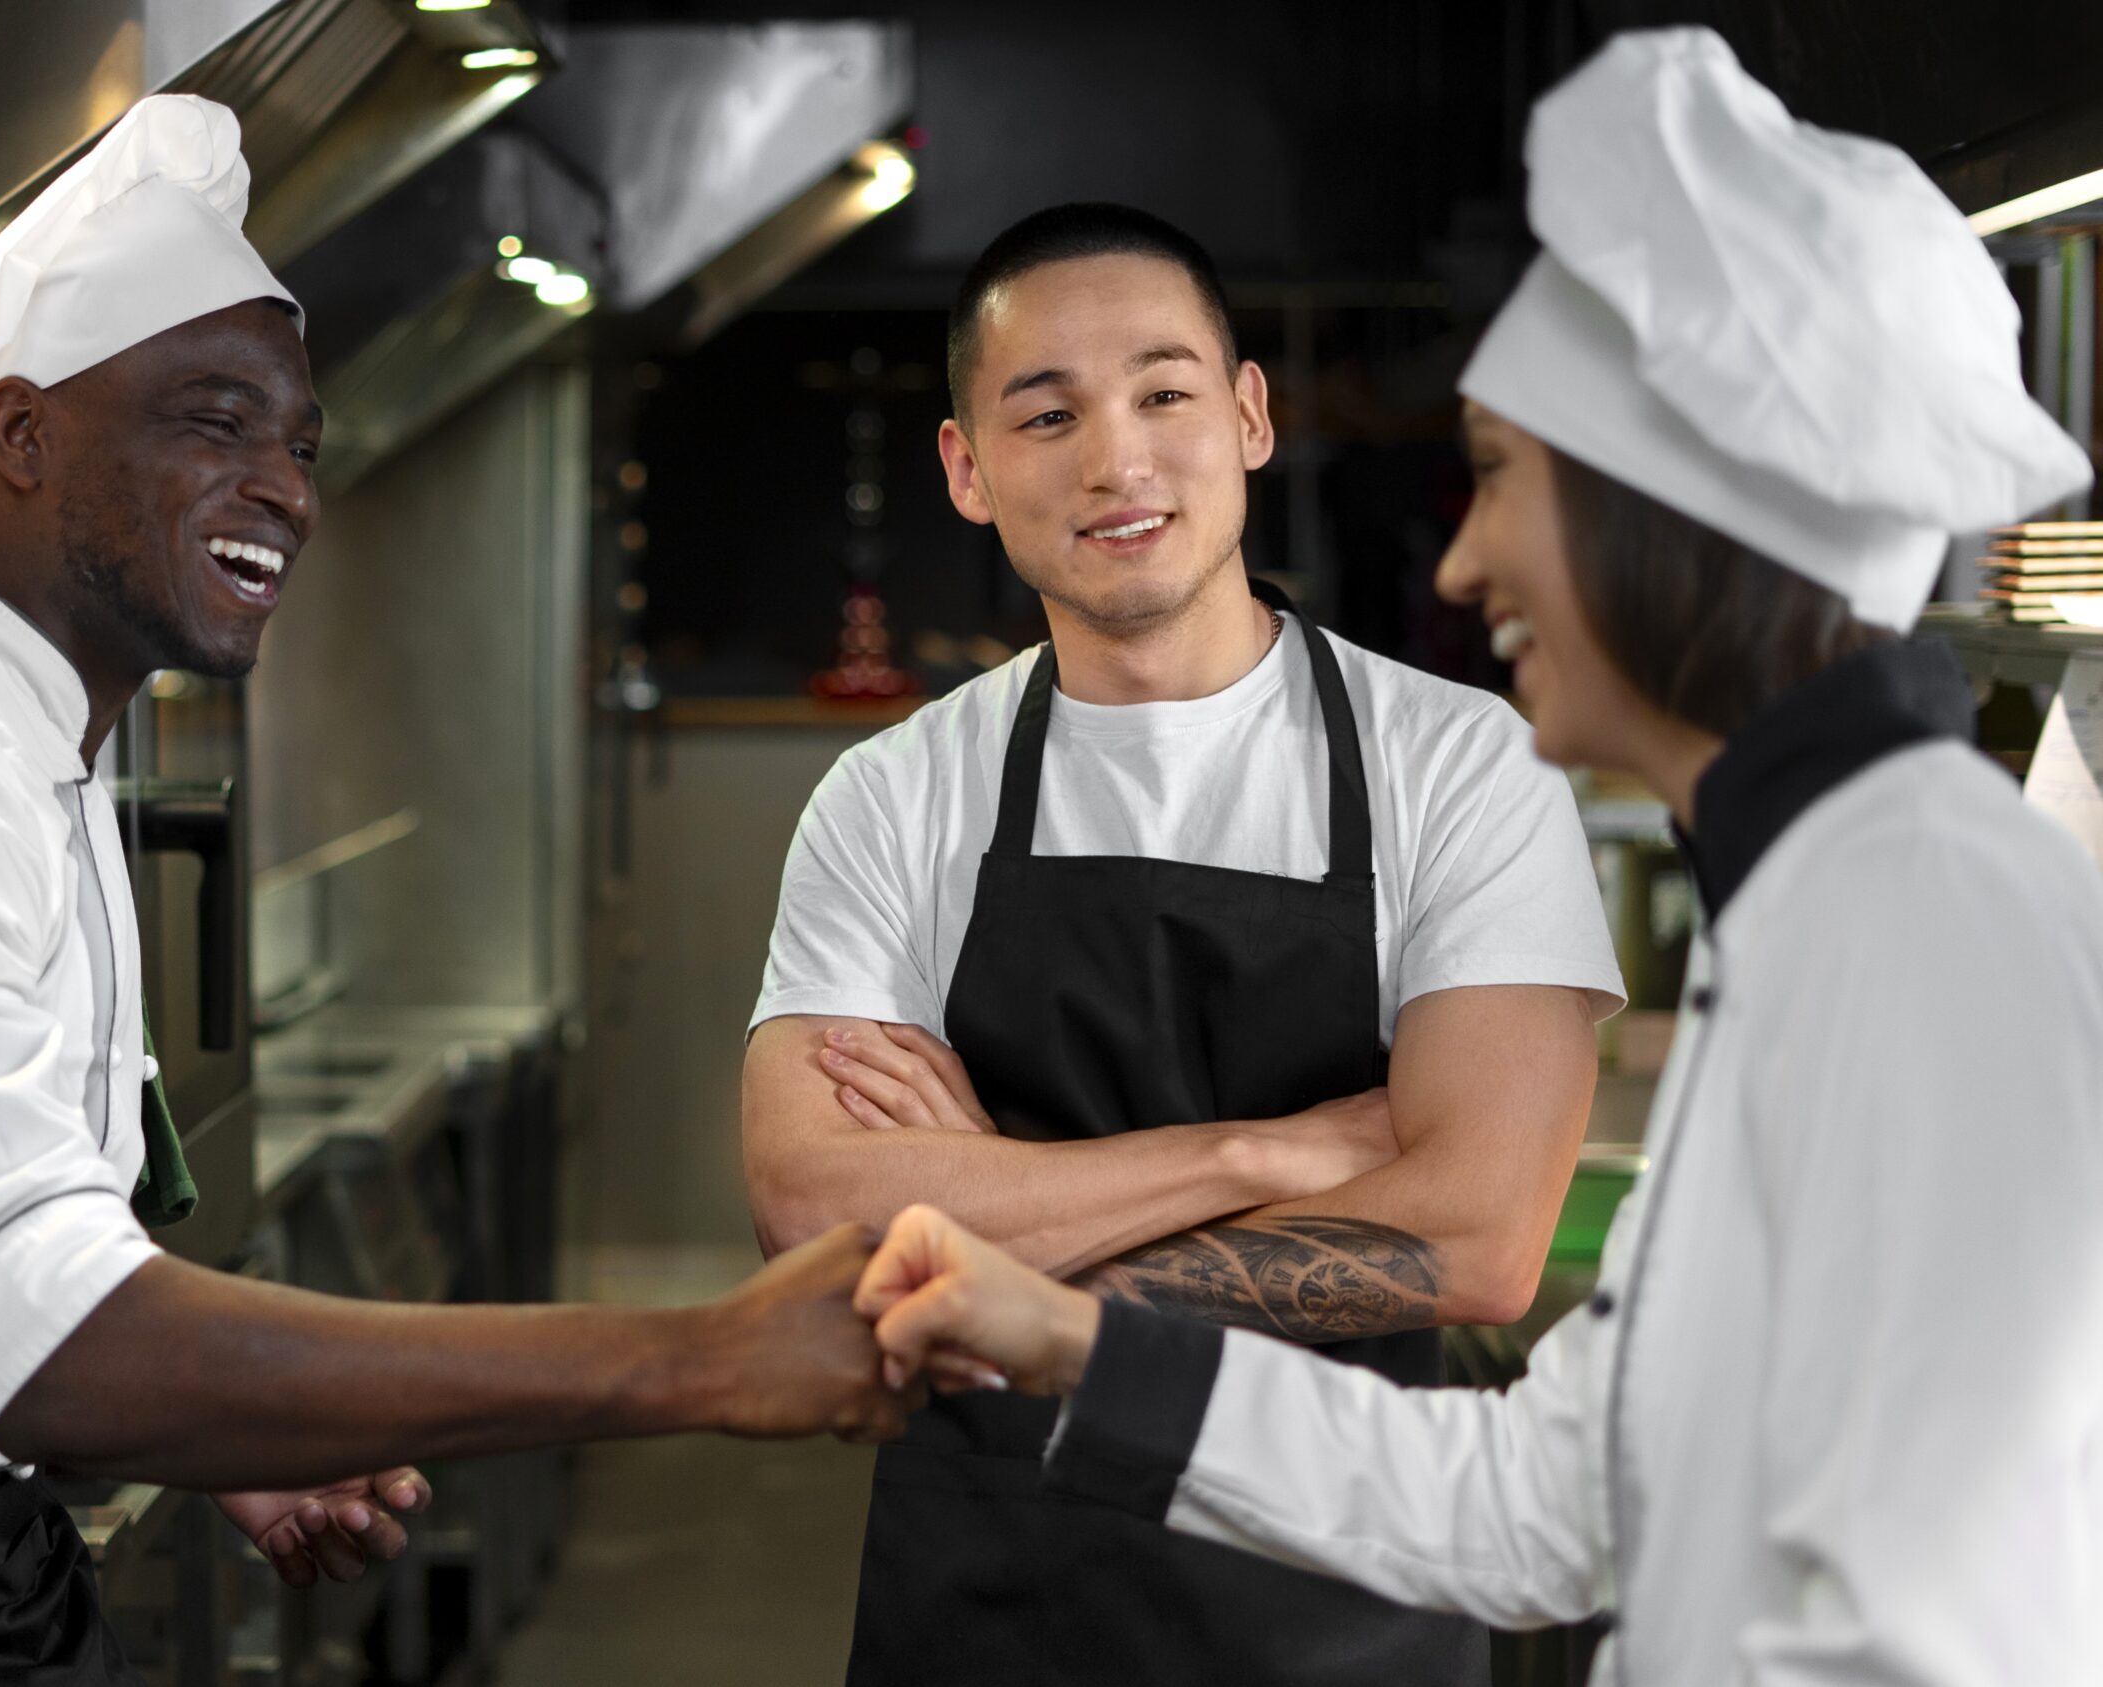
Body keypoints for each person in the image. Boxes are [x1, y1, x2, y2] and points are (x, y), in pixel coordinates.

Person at [0, 96, 911, 1685]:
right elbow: (41, 1335)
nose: (286, 487)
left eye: (300, 444)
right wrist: (696, 1359)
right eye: (214, 418)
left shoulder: (34, 748)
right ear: (24, 434)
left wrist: (226, 1432)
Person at [852, 27, 2103, 1686]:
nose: (1461, 555)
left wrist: (1050, 1238)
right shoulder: (1814, 904)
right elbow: (1551, 1497)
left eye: (1503, 478)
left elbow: (1932, 1633)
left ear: (1671, 516)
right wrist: (1065, 1334)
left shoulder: (1929, 919)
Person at [741, 200, 1627, 1683]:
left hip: (1347, 1596)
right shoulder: (896, 794)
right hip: (992, 1602)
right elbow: (811, 1211)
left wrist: (994, 1232)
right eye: (1047, 414)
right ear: (966, 469)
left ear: (1248, 415)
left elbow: (1478, 1243)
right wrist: (1270, 1152)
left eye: (1163, 392)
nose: (1117, 460)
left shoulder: (1461, 764)